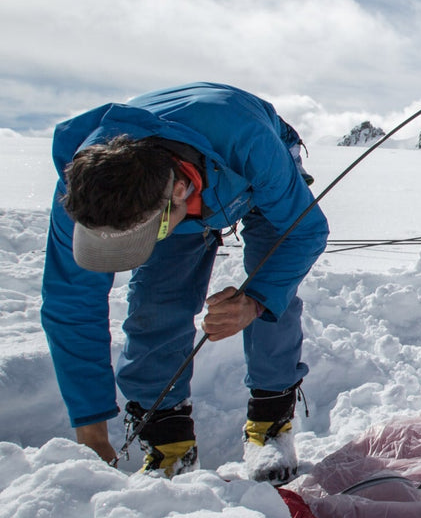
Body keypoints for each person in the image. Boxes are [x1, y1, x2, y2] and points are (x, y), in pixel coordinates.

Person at [41, 82, 330, 484]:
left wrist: (256, 301)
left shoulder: (250, 145)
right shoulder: (84, 191)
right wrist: (90, 426)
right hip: (179, 180)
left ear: (179, 192)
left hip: (245, 177)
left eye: (142, 236)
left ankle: (270, 422)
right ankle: (168, 443)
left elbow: (306, 232)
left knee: (272, 283)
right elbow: (70, 303)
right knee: (156, 301)